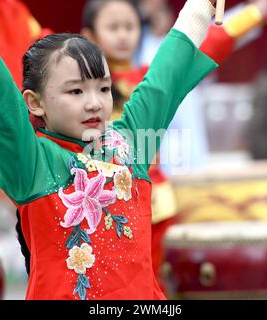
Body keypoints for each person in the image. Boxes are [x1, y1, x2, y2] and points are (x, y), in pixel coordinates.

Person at [0, 0, 218, 300]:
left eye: (103, 88)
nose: (94, 103)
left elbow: (167, 73)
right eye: (75, 91)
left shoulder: (131, 142)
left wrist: (203, 5)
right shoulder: (32, 162)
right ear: (35, 102)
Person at [80, 0, 178, 285]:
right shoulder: (76, 88)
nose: (123, 35)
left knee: (152, 284)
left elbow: (201, 49)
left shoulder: (150, 78)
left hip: (155, 202)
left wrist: (254, 12)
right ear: (89, 36)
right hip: (101, 202)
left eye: (130, 26)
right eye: (113, 27)